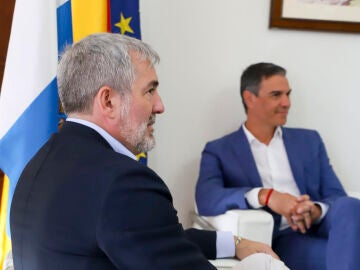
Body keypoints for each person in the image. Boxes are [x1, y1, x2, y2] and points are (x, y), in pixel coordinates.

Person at [10, 34, 287, 270]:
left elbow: (146, 236)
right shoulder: (122, 183)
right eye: (149, 91)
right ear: (108, 100)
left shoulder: (41, 160)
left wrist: (235, 243)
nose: (160, 106)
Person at [196, 62, 360, 270]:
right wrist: (266, 196)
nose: (287, 102)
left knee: (350, 205)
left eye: (288, 94)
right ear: (249, 98)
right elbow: (207, 198)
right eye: (276, 95)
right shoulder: (220, 150)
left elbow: (336, 195)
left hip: (322, 225)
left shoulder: (309, 140)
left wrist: (315, 209)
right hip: (286, 237)